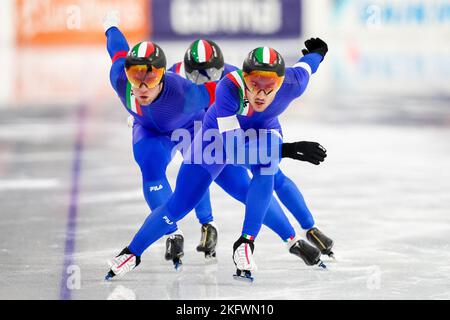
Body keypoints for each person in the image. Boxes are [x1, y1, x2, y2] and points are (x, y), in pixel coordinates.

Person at [103, 13, 328, 273]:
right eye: (254, 84)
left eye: (271, 86)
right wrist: (110, 26)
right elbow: (232, 150)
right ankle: (133, 252)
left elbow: (305, 67)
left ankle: (257, 241)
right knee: (176, 197)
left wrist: (318, 53)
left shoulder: (289, 83)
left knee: (267, 170)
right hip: (215, 135)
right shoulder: (217, 89)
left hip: (240, 130)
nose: (261, 93)